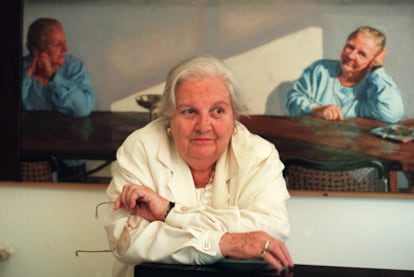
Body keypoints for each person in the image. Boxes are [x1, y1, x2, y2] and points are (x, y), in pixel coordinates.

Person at [103, 56, 294, 276]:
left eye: (218, 111)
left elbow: (273, 231)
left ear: (234, 116)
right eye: (189, 111)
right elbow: (127, 241)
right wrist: (226, 243)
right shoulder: (141, 148)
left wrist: (169, 212)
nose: (203, 126)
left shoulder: (259, 155)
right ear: (169, 117)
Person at [22, 18, 96, 182]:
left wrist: (53, 77)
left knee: (74, 197)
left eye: (64, 42)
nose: (65, 49)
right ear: (36, 50)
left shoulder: (74, 67)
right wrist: (27, 75)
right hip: (33, 156)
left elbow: (82, 108)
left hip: (70, 149)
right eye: (57, 44)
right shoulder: (22, 68)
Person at [285, 26, 404, 123]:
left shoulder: (374, 84)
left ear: (373, 60)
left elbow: (392, 114)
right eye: (350, 47)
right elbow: (293, 100)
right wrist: (315, 110)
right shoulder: (320, 69)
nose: (351, 55)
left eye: (362, 54)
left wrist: (377, 68)